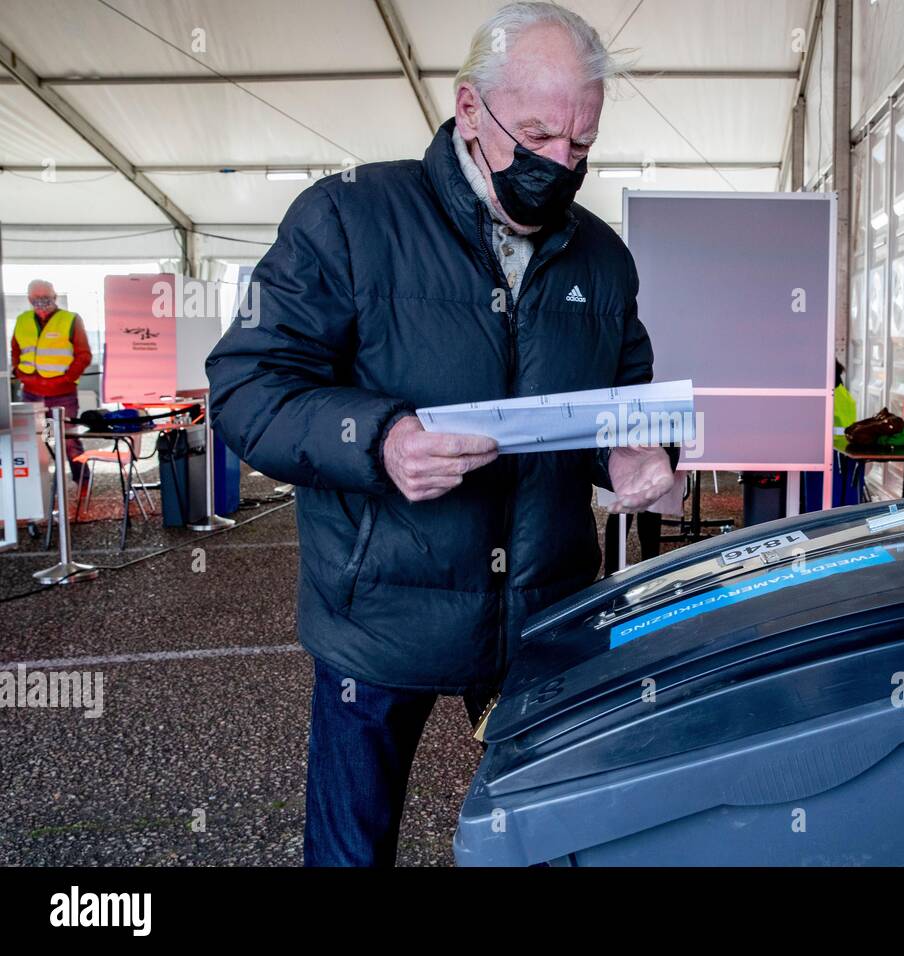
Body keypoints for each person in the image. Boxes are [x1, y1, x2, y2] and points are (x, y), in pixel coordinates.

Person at [205, 2, 674, 866]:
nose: (560, 163)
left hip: (542, 611)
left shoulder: (603, 257)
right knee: (351, 851)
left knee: (553, 840)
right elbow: (246, 385)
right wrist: (376, 439)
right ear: (469, 109)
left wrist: (639, 452)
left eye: (581, 144)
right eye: (536, 135)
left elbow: (629, 396)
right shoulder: (348, 220)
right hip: (381, 616)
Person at [10, 279, 90, 482]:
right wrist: (20, 373)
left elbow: (84, 355)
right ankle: (38, 484)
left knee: (69, 440)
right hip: (31, 392)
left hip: (63, 393)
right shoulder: (22, 320)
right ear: (29, 299)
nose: (42, 302)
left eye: (46, 297)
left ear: (55, 297)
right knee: (34, 440)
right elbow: (16, 350)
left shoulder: (71, 319)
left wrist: (67, 378)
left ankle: (82, 481)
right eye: (37, 298)